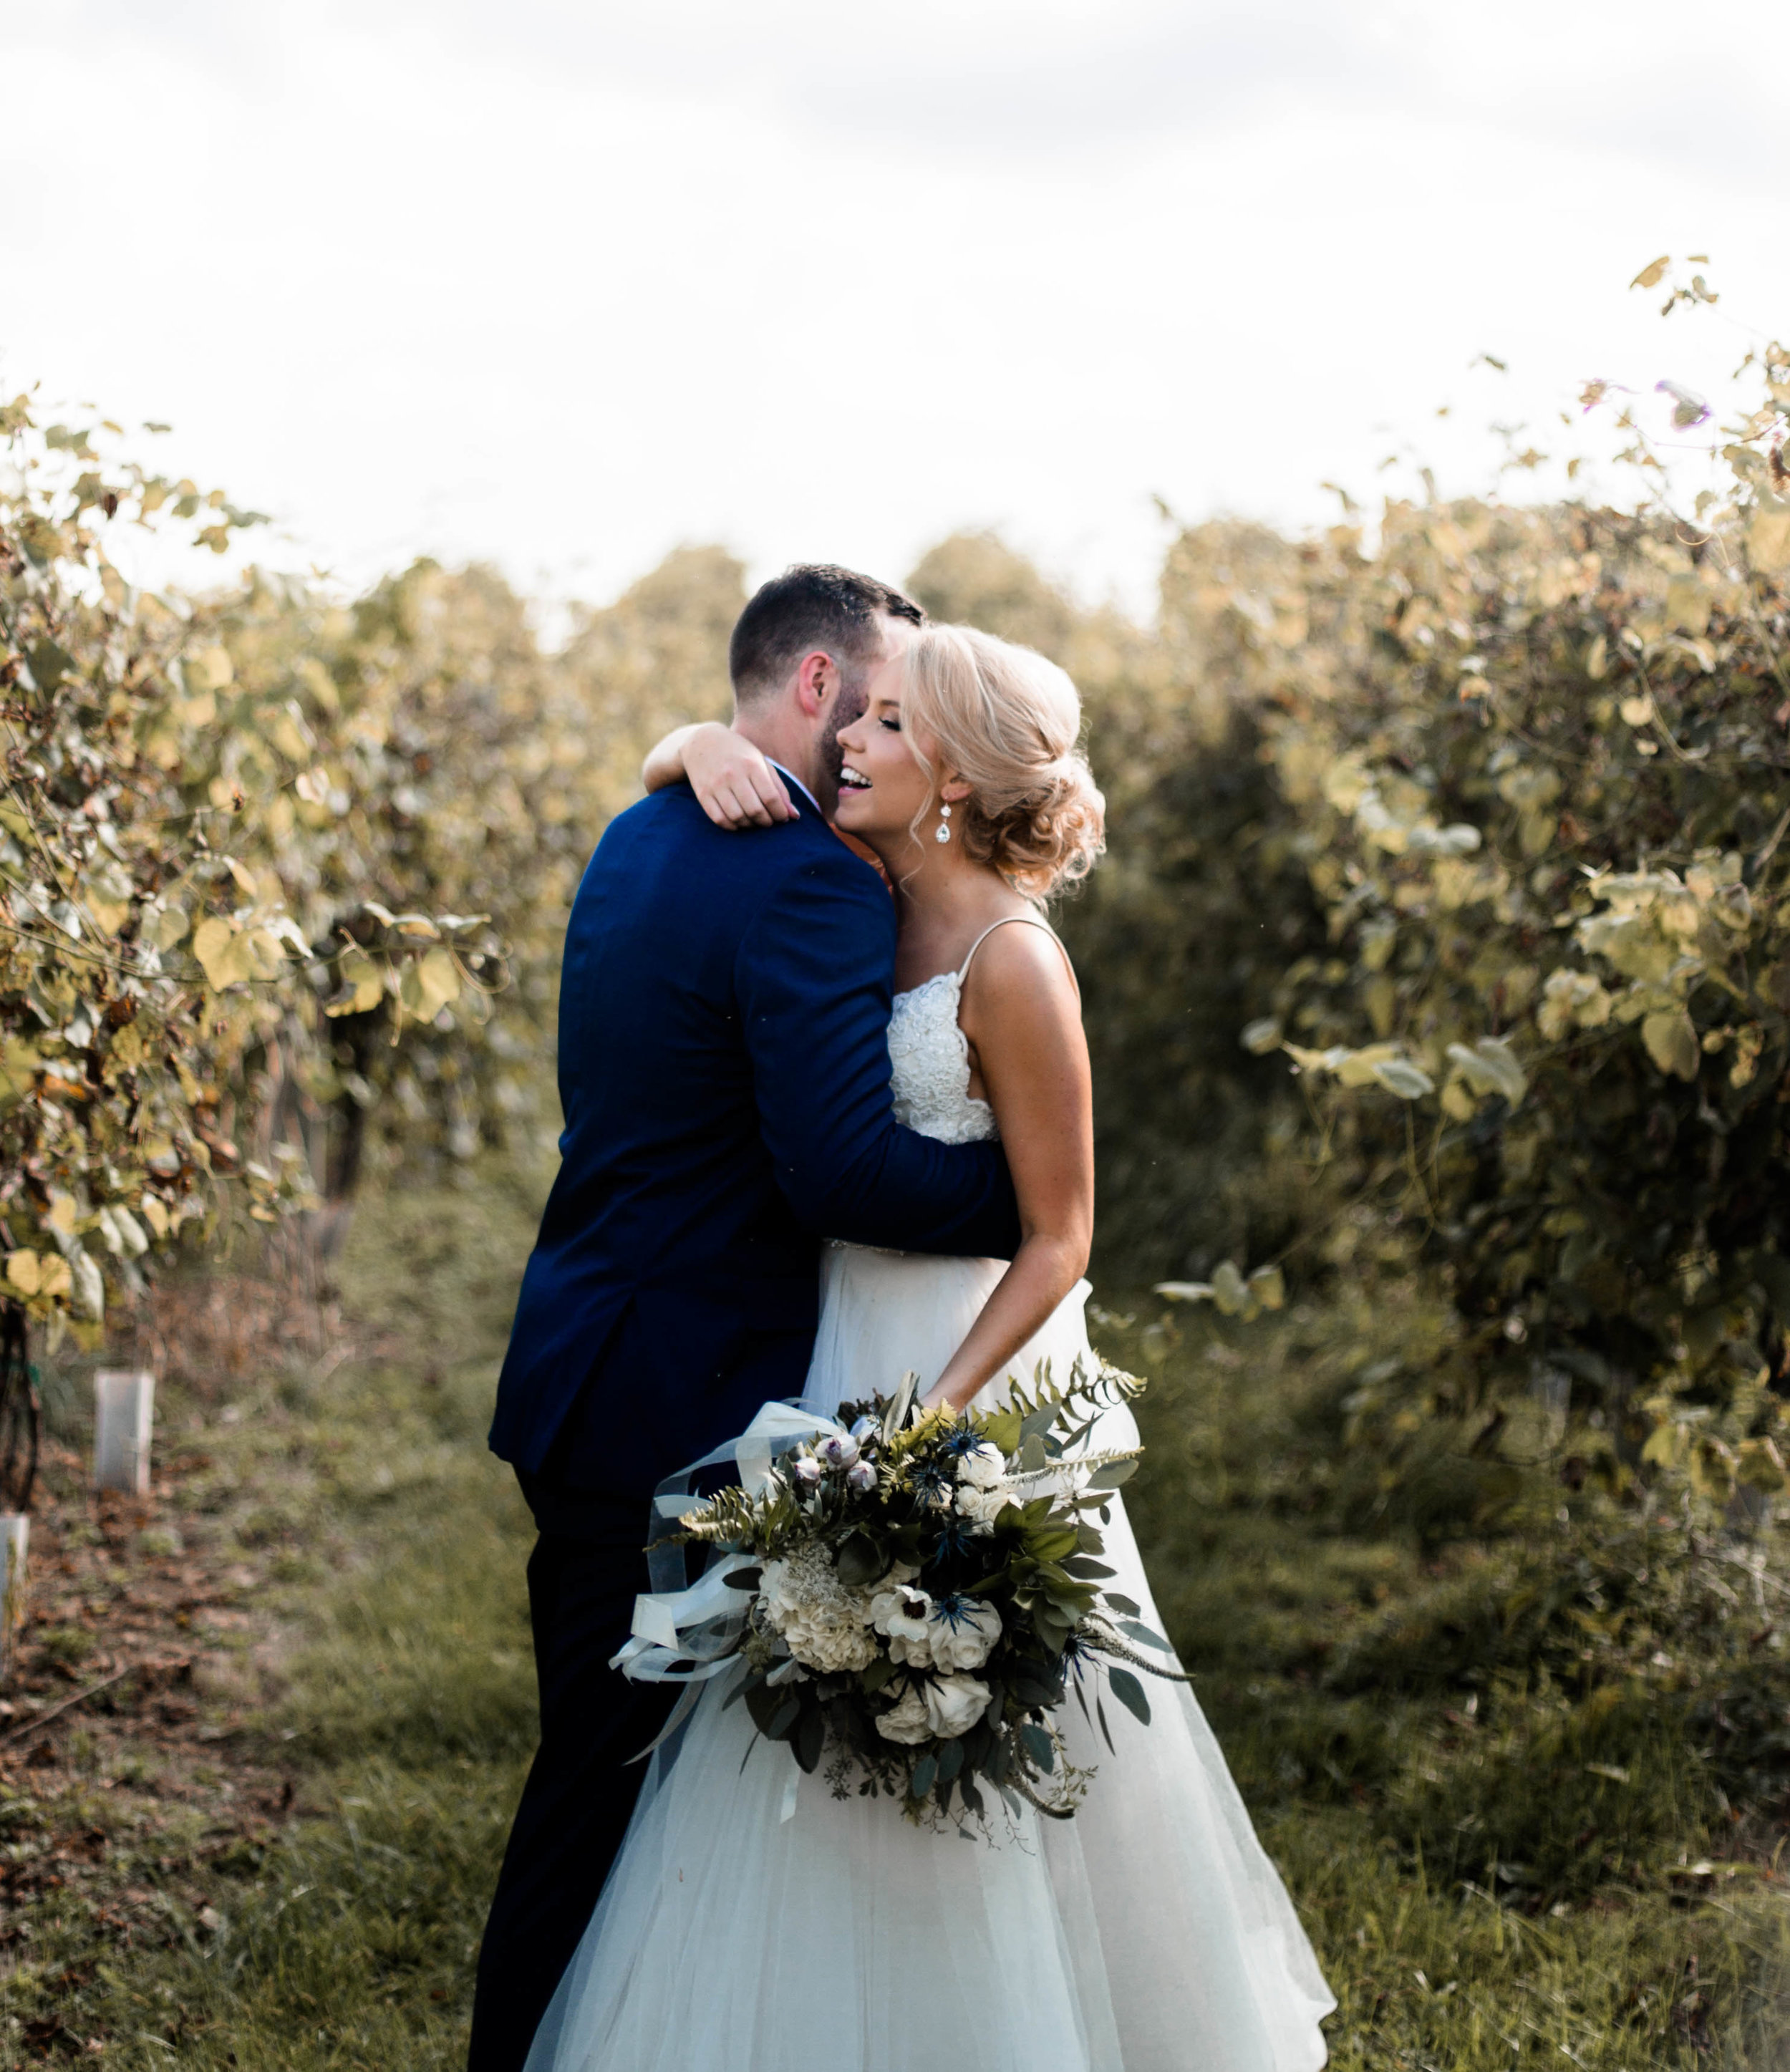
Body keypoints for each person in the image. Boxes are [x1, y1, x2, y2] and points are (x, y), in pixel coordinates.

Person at [521, 620, 1336, 2070]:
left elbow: (1063, 1232)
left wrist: (928, 1429)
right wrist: (692, 743)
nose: (851, 742)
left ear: (949, 770)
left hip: (954, 1378)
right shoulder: (844, 889)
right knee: (793, 1718)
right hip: (830, 1354)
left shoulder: (1014, 958)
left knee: (973, 1715)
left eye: (888, 726)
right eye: (861, 718)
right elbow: (715, 784)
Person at [470, 568, 1027, 2072]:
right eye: (885, 699)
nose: (884, 735)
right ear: (812, 691)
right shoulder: (806, 876)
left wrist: (676, 741)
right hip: (673, 1390)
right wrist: (1033, 1200)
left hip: (589, 1355)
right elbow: (837, 1163)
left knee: (627, 1800)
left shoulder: (638, 827)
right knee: (601, 1799)